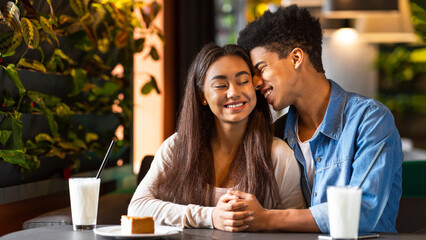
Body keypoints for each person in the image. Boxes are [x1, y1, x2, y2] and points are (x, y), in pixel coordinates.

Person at [229, 4, 403, 233]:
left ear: (296, 58)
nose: (256, 82)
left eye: (262, 68)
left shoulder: (370, 121)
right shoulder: (276, 134)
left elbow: (362, 211)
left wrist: (268, 218)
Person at [127, 43, 305, 231]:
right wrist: (211, 216)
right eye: (221, 85)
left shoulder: (278, 155)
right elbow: (137, 208)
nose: (234, 93)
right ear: (202, 95)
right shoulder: (177, 146)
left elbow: (295, 228)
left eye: (243, 81)